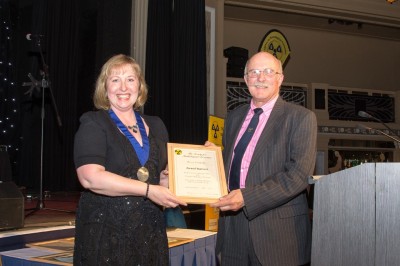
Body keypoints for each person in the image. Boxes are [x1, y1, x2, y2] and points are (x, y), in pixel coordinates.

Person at [73, 54, 186, 265]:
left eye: (130, 79)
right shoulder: (93, 123)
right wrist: (149, 190)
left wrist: (168, 179)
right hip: (106, 234)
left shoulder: (157, 125)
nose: (123, 87)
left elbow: (156, 180)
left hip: (150, 233)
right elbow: (90, 178)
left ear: (140, 86)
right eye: (115, 80)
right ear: (104, 87)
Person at [208, 51, 317, 266]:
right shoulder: (234, 117)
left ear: (280, 78)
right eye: (254, 72)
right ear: (246, 79)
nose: (260, 78)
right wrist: (210, 160)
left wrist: (247, 198)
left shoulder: (301, 118)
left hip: (278, 236)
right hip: (232, 232)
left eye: (268, 72)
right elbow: (235, 166)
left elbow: (298, 176)